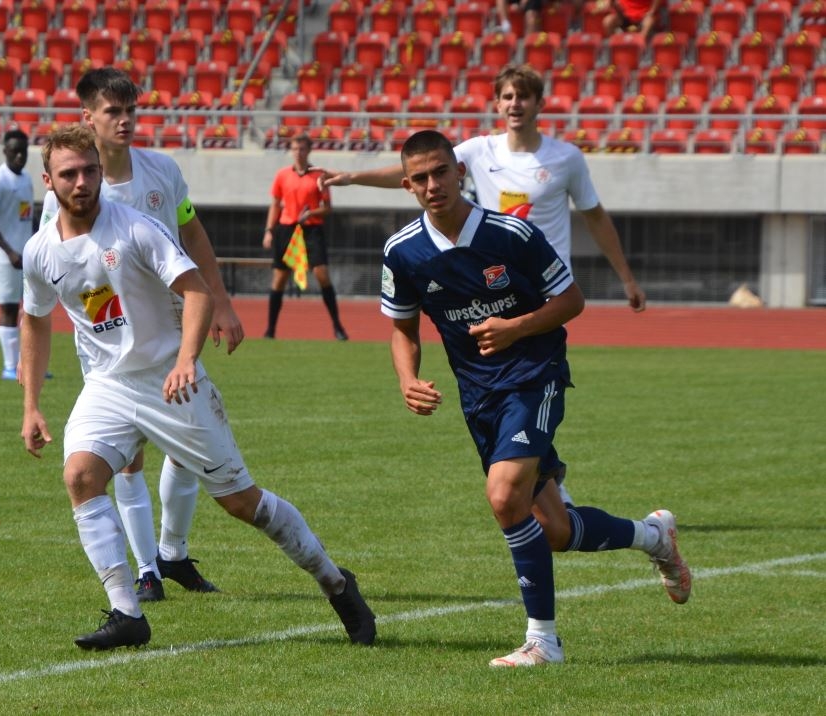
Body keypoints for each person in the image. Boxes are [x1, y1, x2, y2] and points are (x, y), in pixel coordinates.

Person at [20, 125, 376, 650]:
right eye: (69, 174)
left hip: (170, 380)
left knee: (242, 503)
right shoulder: (39, 250)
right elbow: (33, 319)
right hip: (107, 385)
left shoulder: (136, 228)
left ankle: (336, 582)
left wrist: (186, 358)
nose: (82, 182)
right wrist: (31, 404)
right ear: (48, 181)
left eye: (90, 170)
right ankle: (127, 613)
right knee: (80, 476)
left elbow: (197, 291)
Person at [380, 130, 690, 666]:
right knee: (554, 530)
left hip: (534, 374)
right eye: (421, 178)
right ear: (407, 186)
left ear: (460, 172)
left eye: (441, 172)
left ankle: (543, 642)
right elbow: (403, 328)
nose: (433, 185)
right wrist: (407, 378)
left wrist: (516, 327)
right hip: (478, 394)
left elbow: (571, 300)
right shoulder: (402, 252)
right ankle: (654, 536)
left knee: (504, 498)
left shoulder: (511, 234)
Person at [320, 63, 647, 506]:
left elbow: (595, 217)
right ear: (497, 104)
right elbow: (418, 167)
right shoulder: (476, 150)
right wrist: (352, 177)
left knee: (510, 477)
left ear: (540, 103)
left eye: (523, 96)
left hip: (536, 290)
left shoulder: (566, 158)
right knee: (536, 505)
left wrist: (626, 276)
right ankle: (551, 484)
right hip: (477, 282)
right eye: (508, 96)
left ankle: (533, 471)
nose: (515, 104)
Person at [39, 67, 244, 603]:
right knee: (128, 457)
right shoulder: (68, 190)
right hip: (112, 345)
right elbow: (66, 269)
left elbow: (192, 231)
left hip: (175, 326)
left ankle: (172, 552)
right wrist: (115, 320)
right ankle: (147, 569)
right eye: (113, 111)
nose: (125, 120)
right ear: (88, 118)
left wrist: (220, 301)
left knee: (186, 447)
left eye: (131, 110)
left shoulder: (162, 171)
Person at [262, 133, 348, 341]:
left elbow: (327, 208)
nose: (298, 153)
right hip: (286, 228)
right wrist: (269, 230)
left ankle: (337, 327)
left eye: (302, 149)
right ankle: (270, 330)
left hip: (311, 229)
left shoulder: (319, 175)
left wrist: (311, 213)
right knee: (280, 278)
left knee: (321, 273)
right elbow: (275, 204)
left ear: (309, 151)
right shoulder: (282, 175)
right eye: (294, 149)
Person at [0, 128, 36, 381]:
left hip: (23, 253)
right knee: (10, 308)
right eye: (14, 151)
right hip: (1, 256)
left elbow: (27, 216)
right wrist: (9, 251)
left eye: (23, 151)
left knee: (32, 308)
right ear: (5, 151)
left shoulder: (27, 179)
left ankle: (28, 364)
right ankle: (9, 366)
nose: (19, 156)